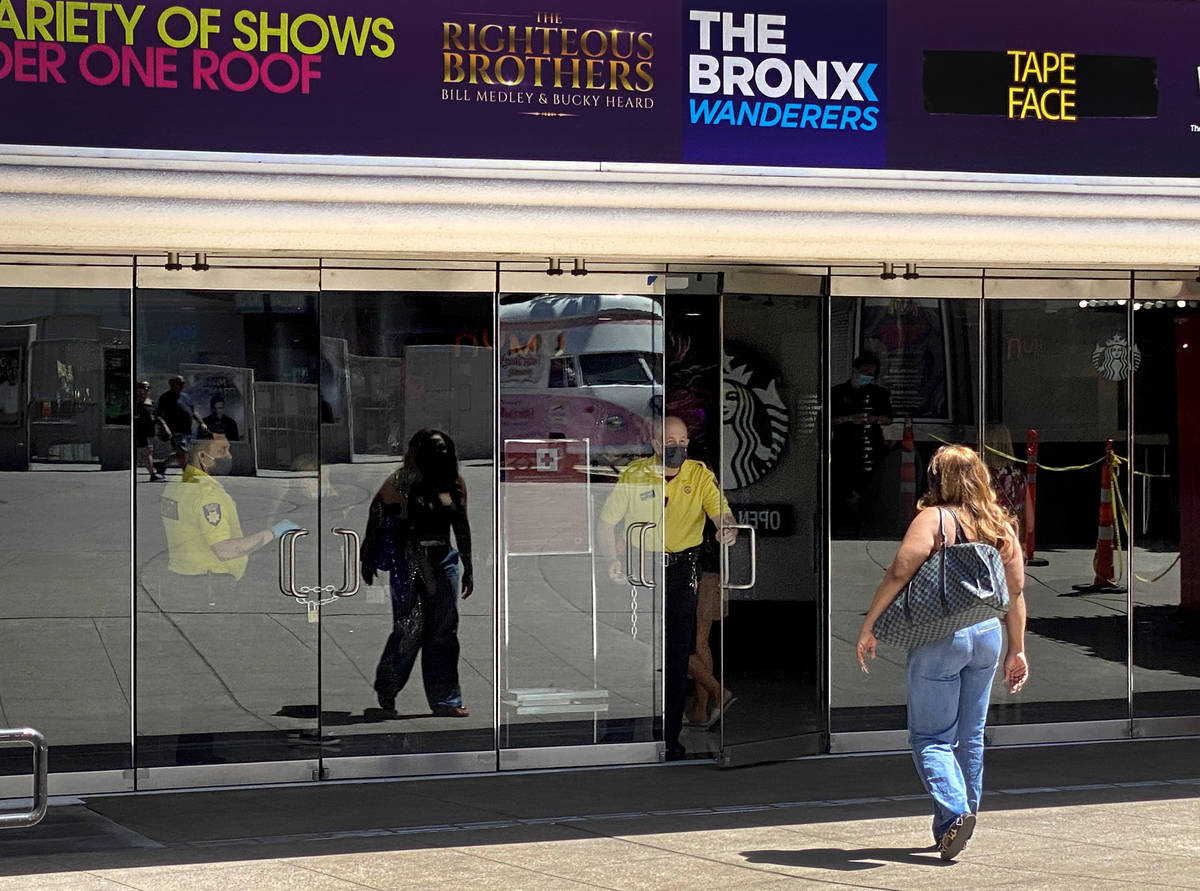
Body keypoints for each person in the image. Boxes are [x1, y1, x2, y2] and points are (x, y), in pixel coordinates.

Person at [856, 444, 1029, 861]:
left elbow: (900, 570)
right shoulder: (1000, 524)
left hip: (941, 635)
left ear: (937, 479)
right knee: (969, 737)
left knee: (931, 737)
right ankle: (951, 827)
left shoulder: (934, 519)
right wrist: (1017, 650)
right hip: (987, 635)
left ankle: (954, 814)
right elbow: (1016, 592)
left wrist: (870, 625)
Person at [599, 415, 737, 760]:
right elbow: (606, 522)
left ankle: (670, 738)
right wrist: (609, 561)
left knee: (677, 656)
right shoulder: (635, 474)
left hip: (680, 571)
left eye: (683, 440)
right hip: (641, 569)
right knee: (634, 654)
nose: (678, 446)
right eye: (670, 441)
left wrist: (727, 529)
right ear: (656, 443)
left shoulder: (698, 474)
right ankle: (622, 731)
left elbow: (721, 512)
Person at [361, 429, 474, 719]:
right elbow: (377, 513)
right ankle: (388, 685)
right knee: (410, 628)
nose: (440, 454)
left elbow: (461, 525)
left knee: (443, 632)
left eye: (444, 448)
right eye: (433, 449)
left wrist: (468, 565)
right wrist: (368, 554)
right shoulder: (402, 480)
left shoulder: (454, 482)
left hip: (443, 558)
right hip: (408, 558)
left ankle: (446, 700)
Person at [160, 433, 299, 589]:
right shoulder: (208, 495)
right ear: (202, 457)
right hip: (211, 583)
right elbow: (224, 550)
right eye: (222, 451)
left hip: (182, 575)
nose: (229, 456)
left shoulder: (177, 483)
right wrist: (275, 532)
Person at [830, 352, 893, 536]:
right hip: (845, 446)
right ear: (855, 371)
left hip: (872, 446)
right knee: (843, 485)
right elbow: (829, 419)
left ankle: (869, 523)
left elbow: (889, 418)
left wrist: (875, 419)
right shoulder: (838, 392)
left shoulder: (879, 393)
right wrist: (850, 419)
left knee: (871, 486)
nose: (867, 377)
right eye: (864, 372)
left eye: (871, 374)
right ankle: (841, 524)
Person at [157, 374, 208, 470]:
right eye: (179, 383)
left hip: (187, 431)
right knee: (182, 452)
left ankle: (162, 465)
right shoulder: (165, 398)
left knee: (182, 452)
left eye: (183, 383)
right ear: (171, 384)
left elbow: (193, 411)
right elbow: (159, 415)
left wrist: (201, 423)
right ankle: (187, 473)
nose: (182, 385)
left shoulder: (185, 397)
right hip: (175, 430)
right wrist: (164, 427)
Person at [134, 380, 167, 481]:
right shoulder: (135, 403)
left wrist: (164, 426)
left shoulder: (151, 403)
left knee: (146, 453)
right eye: (142, 388)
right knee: (147, 451)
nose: (144, 390)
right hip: (139, 432)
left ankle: (154, 468)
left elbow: (157, 416)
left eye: (147, 388)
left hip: (149, 432)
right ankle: (153, 474)